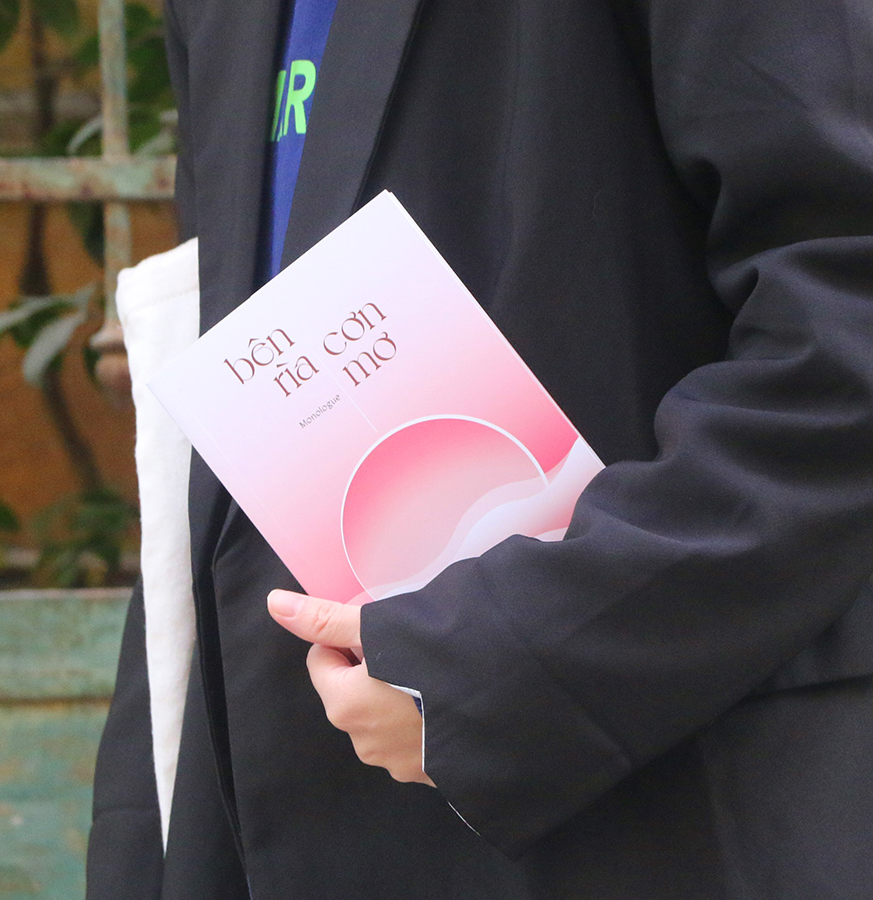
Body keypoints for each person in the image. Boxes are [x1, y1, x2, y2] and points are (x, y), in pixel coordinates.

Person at [87, 1, 873, 898]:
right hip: (286, 808)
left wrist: (502, 663)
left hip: (653, 809)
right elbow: (229, 419)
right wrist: (146, 836)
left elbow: (843, 321)